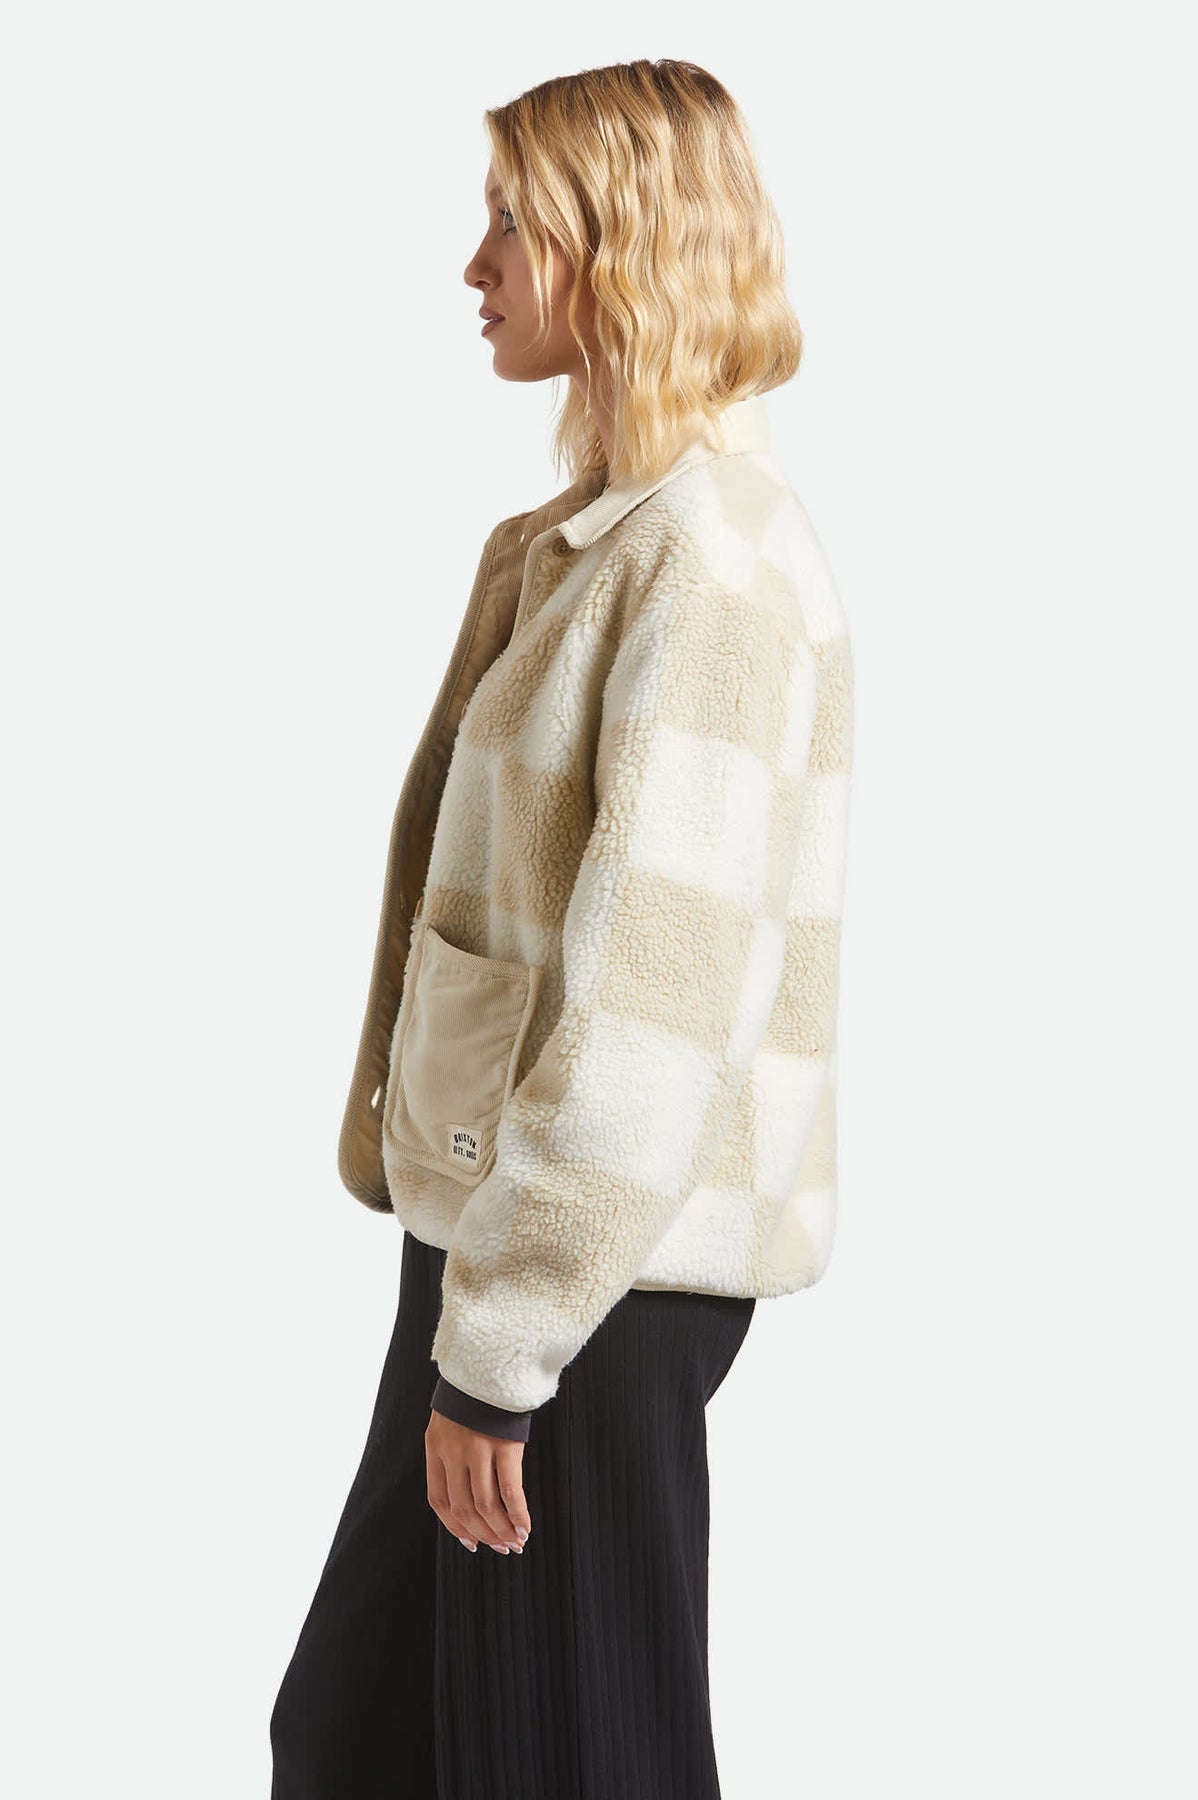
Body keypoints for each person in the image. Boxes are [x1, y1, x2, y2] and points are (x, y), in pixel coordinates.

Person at [269, 56, 853, 1800]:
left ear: (619, 243)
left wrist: (504, 1351)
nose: (475, 265)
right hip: (501, 1245)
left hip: (589, 1279)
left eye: (510, 225)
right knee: (357, 1737)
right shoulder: (601, 544)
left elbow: (651, 1009)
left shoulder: (707, 569)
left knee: (571, 1762)